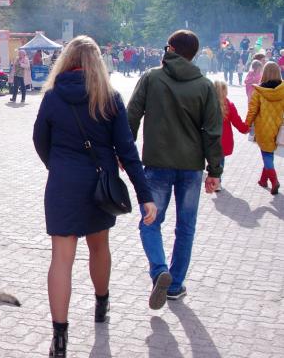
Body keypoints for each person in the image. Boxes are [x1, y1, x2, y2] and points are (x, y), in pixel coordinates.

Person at [33, 35, 156, 358]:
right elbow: (127, 151)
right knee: (99, 246)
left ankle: (59, 338)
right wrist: (145, 196)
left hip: (62, 184)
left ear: (66, 59)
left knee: (61, 257)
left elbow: (39, 141)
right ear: (98, 62)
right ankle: (102, 304)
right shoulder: (110, 98)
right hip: (99, 184)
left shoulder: (52, 97)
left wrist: (57, 166)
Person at [127, 29, 222, 309]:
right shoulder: (205, 86)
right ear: (194, 54)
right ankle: (176, 284)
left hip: (157, 164)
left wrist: (126, 153)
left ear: (170, 48)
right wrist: (214, 170)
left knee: (150, 221)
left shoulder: (152, 78)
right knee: (186, 227)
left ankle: (159, 270)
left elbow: (131, 115)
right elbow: (213, 132)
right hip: (191, 168)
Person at [245, 61, 284, 195]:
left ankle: (274, 181)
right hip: (279, 128)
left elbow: (252, 110)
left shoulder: (259, 91)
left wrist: (247, 125)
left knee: (267, 154)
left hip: (264, 128)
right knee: (269, 154)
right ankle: (263, 180)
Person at [214, 80, 249, 191]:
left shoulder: (206, 104)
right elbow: (237, 122)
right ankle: (217, 180)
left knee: (212, 159)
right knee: (220, 160)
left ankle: (213, 177)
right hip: (224, 140)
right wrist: (246, 129)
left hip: (209, 139)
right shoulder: (229, 105)